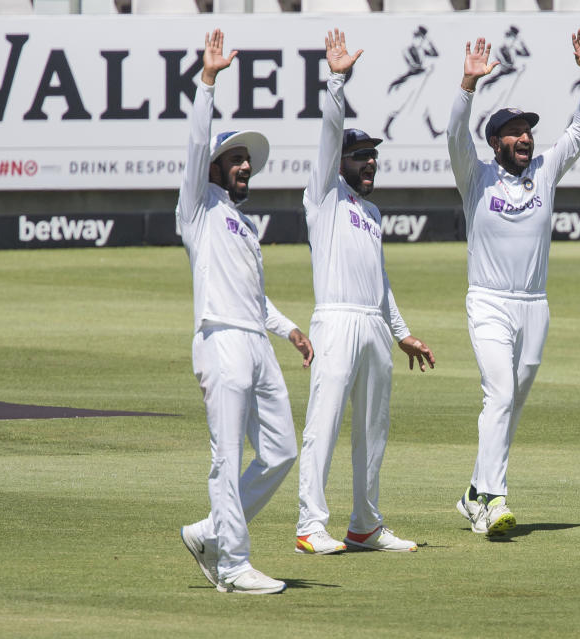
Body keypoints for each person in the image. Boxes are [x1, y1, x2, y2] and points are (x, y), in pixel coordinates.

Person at [177, 29, 313, 594]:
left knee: (282, 451)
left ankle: (212, 532)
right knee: (227, 458)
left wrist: (287, 329)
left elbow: (254, 297)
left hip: (254, 340)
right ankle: (232, 565)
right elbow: (194, 143)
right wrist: (207, 81)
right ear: (212, 168)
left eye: (245, 162)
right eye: (232, 160)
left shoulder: (242, 222)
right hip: (221, 340)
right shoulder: (197, 207)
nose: (242, 168)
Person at [448, 31, 580, 536]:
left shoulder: (545, 171)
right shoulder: (476, 177)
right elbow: (454, 136)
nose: (525, 138)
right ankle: (494, 500)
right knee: (500, 394)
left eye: (528, 131)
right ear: (495, 143)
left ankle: (472, 491)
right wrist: (468, 85)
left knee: (510, 406)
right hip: (488, 302)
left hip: (535, 306)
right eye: (513, 132)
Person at [295, 29, 435, 555]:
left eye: (373, 156)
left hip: (374, 327)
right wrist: (336, 81)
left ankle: (365, 525)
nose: (369, 162)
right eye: (360, 157)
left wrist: (401, 333)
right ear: (340, 164)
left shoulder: (372, 212)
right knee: (324, 425)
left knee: (372, 432)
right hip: (335, 321)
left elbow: (380, 282)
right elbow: (330, 136)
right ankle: (310, 525)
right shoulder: (322, 197)